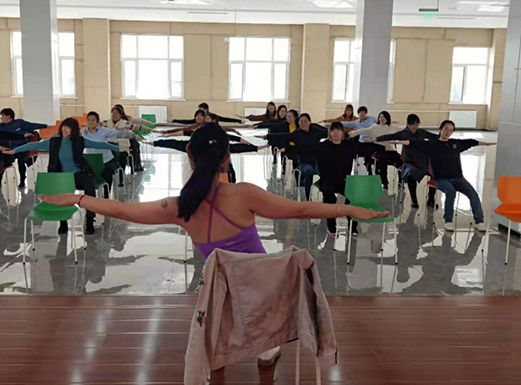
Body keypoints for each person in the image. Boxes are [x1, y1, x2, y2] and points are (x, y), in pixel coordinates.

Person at [38, 123, 388, 366]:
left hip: (221, 300)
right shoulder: (244, 194)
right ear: (227, 158)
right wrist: (349, 209)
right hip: (264, 299)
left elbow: (122, 209)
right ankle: (267, 351)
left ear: (189, 156)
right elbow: (301, 209)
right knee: (273, 317)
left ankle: (227, 352)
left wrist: (77, 198)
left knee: (217, 308)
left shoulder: (180, 206)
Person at [3, 118, 123, 235]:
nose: (64, 130)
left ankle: (90, 219)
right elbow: (32, 145)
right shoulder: (54, 141)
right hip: (62, 176)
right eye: (63, 127)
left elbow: (99, 144)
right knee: (62, 195)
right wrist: (14, 151)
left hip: (78, 174)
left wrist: (118, 148)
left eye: (68, 128)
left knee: (89, 188)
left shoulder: (79, 141)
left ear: (73, 129)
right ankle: (63, 222)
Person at [391, 120, 495, 232]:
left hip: (458, 178)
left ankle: (479, 221)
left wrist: (488, 143)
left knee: (473, 194)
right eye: (445, 129)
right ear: (441, 129)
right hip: (440, 179)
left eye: (450, 130)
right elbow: (413, 143)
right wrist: (398, 142)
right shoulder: (431, 144)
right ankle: (448, 221)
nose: (447, 132)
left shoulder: (455, 144)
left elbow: (472, 142)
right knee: (450, 191)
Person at [312, 122, 369, 236]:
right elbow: (307, 149)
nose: (336, 133)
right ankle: (331, 225)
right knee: (329, 196)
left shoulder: (349, 145)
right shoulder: (323, 146)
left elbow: (365, 149)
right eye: (333, 130)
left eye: (338, 130)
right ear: (330, 133)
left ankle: (352, 225)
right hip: (327, 179)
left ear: (342, 133)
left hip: (344, 179)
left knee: (354, 196)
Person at [375, 114, 438, 208]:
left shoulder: (421, 132)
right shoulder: (403, 134)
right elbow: (389, 136)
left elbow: (435, 137)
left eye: (417, 124)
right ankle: (414, 200)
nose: (415, 126)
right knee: (411, 175)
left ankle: (431, 199)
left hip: (423, 161)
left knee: (436, 173)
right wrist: (376, 139)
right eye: (412, 124)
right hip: (410, 162)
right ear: (408, 124)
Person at [264, 113, 328, 201]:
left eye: (305, 122)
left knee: (327, 170)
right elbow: (284, 136)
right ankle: (307, 196)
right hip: (302, 162)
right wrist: (267, 136)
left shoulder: (316, 131)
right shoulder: (297, 134)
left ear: (310, 122)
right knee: (309, 170)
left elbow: (328, 133)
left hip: (316, 162)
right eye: (301, 122)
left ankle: (326, 194)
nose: (303, 124)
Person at [81, 111, 136, 197]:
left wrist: (133, 136)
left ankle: (106, 195)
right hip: (91, 161)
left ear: (97, 122)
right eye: (89, 120)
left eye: (93, 120)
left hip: (106, 160)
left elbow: (118, 133)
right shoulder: (83, 133)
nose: (90, 122)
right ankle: (90, 198)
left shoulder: (103, 131)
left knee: (107, 173)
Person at [0, 108, 48, 188]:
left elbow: (33, 125)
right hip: (10, 149)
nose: (1, 118)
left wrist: (47, 126)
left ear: (8, 116)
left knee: (21, 161)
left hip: (22, 148)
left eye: (2, 116)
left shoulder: (19, 123)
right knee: (3, 160)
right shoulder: (1, 126)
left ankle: (22, 180)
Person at [349, 111, 401, 189]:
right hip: (379, 149)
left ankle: (401, 181)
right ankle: (384, 181)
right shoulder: (375, 127)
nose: (382, 119)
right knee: (382, 160)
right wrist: (355, 133)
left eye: (384, 117)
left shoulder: (392, 127)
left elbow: (403, 131)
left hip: (390, 150)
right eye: (380, 117)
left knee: (400, 160)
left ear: (387, 118)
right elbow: (365, 130)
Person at [103, 105, 154, 172]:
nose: (114, 115)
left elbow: (139, 122)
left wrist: (152, 124)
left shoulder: (127, 120)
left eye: (116, 113)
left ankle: (133, 165)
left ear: (121, 114)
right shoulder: (108, 123)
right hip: (113, 143)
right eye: (113, 113)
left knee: (133, 147)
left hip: (126, 141)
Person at [173, 103, 242, 124]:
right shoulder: (199, 117)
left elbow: (225, 119)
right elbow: (189, 121)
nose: (199, 111)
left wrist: (238, 120)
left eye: (201, 109)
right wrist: (175, 120)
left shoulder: (212, 116)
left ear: (206, 110)